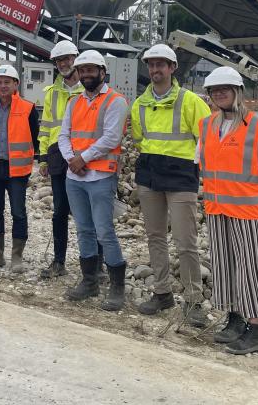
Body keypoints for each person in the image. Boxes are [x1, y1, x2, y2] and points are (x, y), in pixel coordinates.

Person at [197, 66, 258, 354]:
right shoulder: (207, 125)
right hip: (217, 208)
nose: (219, 94)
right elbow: (204, 165)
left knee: (252, 268)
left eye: (224, 89)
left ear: (237, 92)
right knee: (224, 264)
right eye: (214, 91)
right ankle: (234, 318)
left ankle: (256, 331)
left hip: (247, 210)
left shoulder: (257, 126)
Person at [130, 43, 212, 326]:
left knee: (185, 242)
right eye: (151, 65)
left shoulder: (190, 102)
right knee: (155, 237)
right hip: (150, 176)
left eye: (161, 65)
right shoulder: (140, 104)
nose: (155, 69)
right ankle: (162, 292)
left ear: (172, 68)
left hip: (180, 178)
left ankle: (193, 300)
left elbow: (208, 138)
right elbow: (140, 139)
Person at [58, 50, 129, 310]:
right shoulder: (74, 102)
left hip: (101, 176)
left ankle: (116, 288)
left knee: (104, 232)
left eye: (91, 70)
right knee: (84, 230)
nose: (86, 74)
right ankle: (89, 281)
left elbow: (111, 138)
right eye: (83, 70)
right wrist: (71, 160)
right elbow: (63, 135)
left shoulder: (115, 101)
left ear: (102, 72)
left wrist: (82, 159)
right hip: (75, 176)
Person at [36, 40, 89, 279]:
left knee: (87, 213)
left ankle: (93, 266)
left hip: (84, 156)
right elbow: (46, 126)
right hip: (58, 156)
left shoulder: (88, 89)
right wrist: (43, 158)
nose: (64, 63)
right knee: (59, 212)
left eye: (68, 58)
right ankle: (59, 261)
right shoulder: (52, 93)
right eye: (60, 60)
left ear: (76, 59)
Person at [0, 64, 39, 273]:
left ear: (16, 84)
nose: (3, 86)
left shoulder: (28, 108)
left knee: (18, 212)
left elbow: (35, 137)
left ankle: (16, 256)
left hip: (17, 171)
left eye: (7, 82)